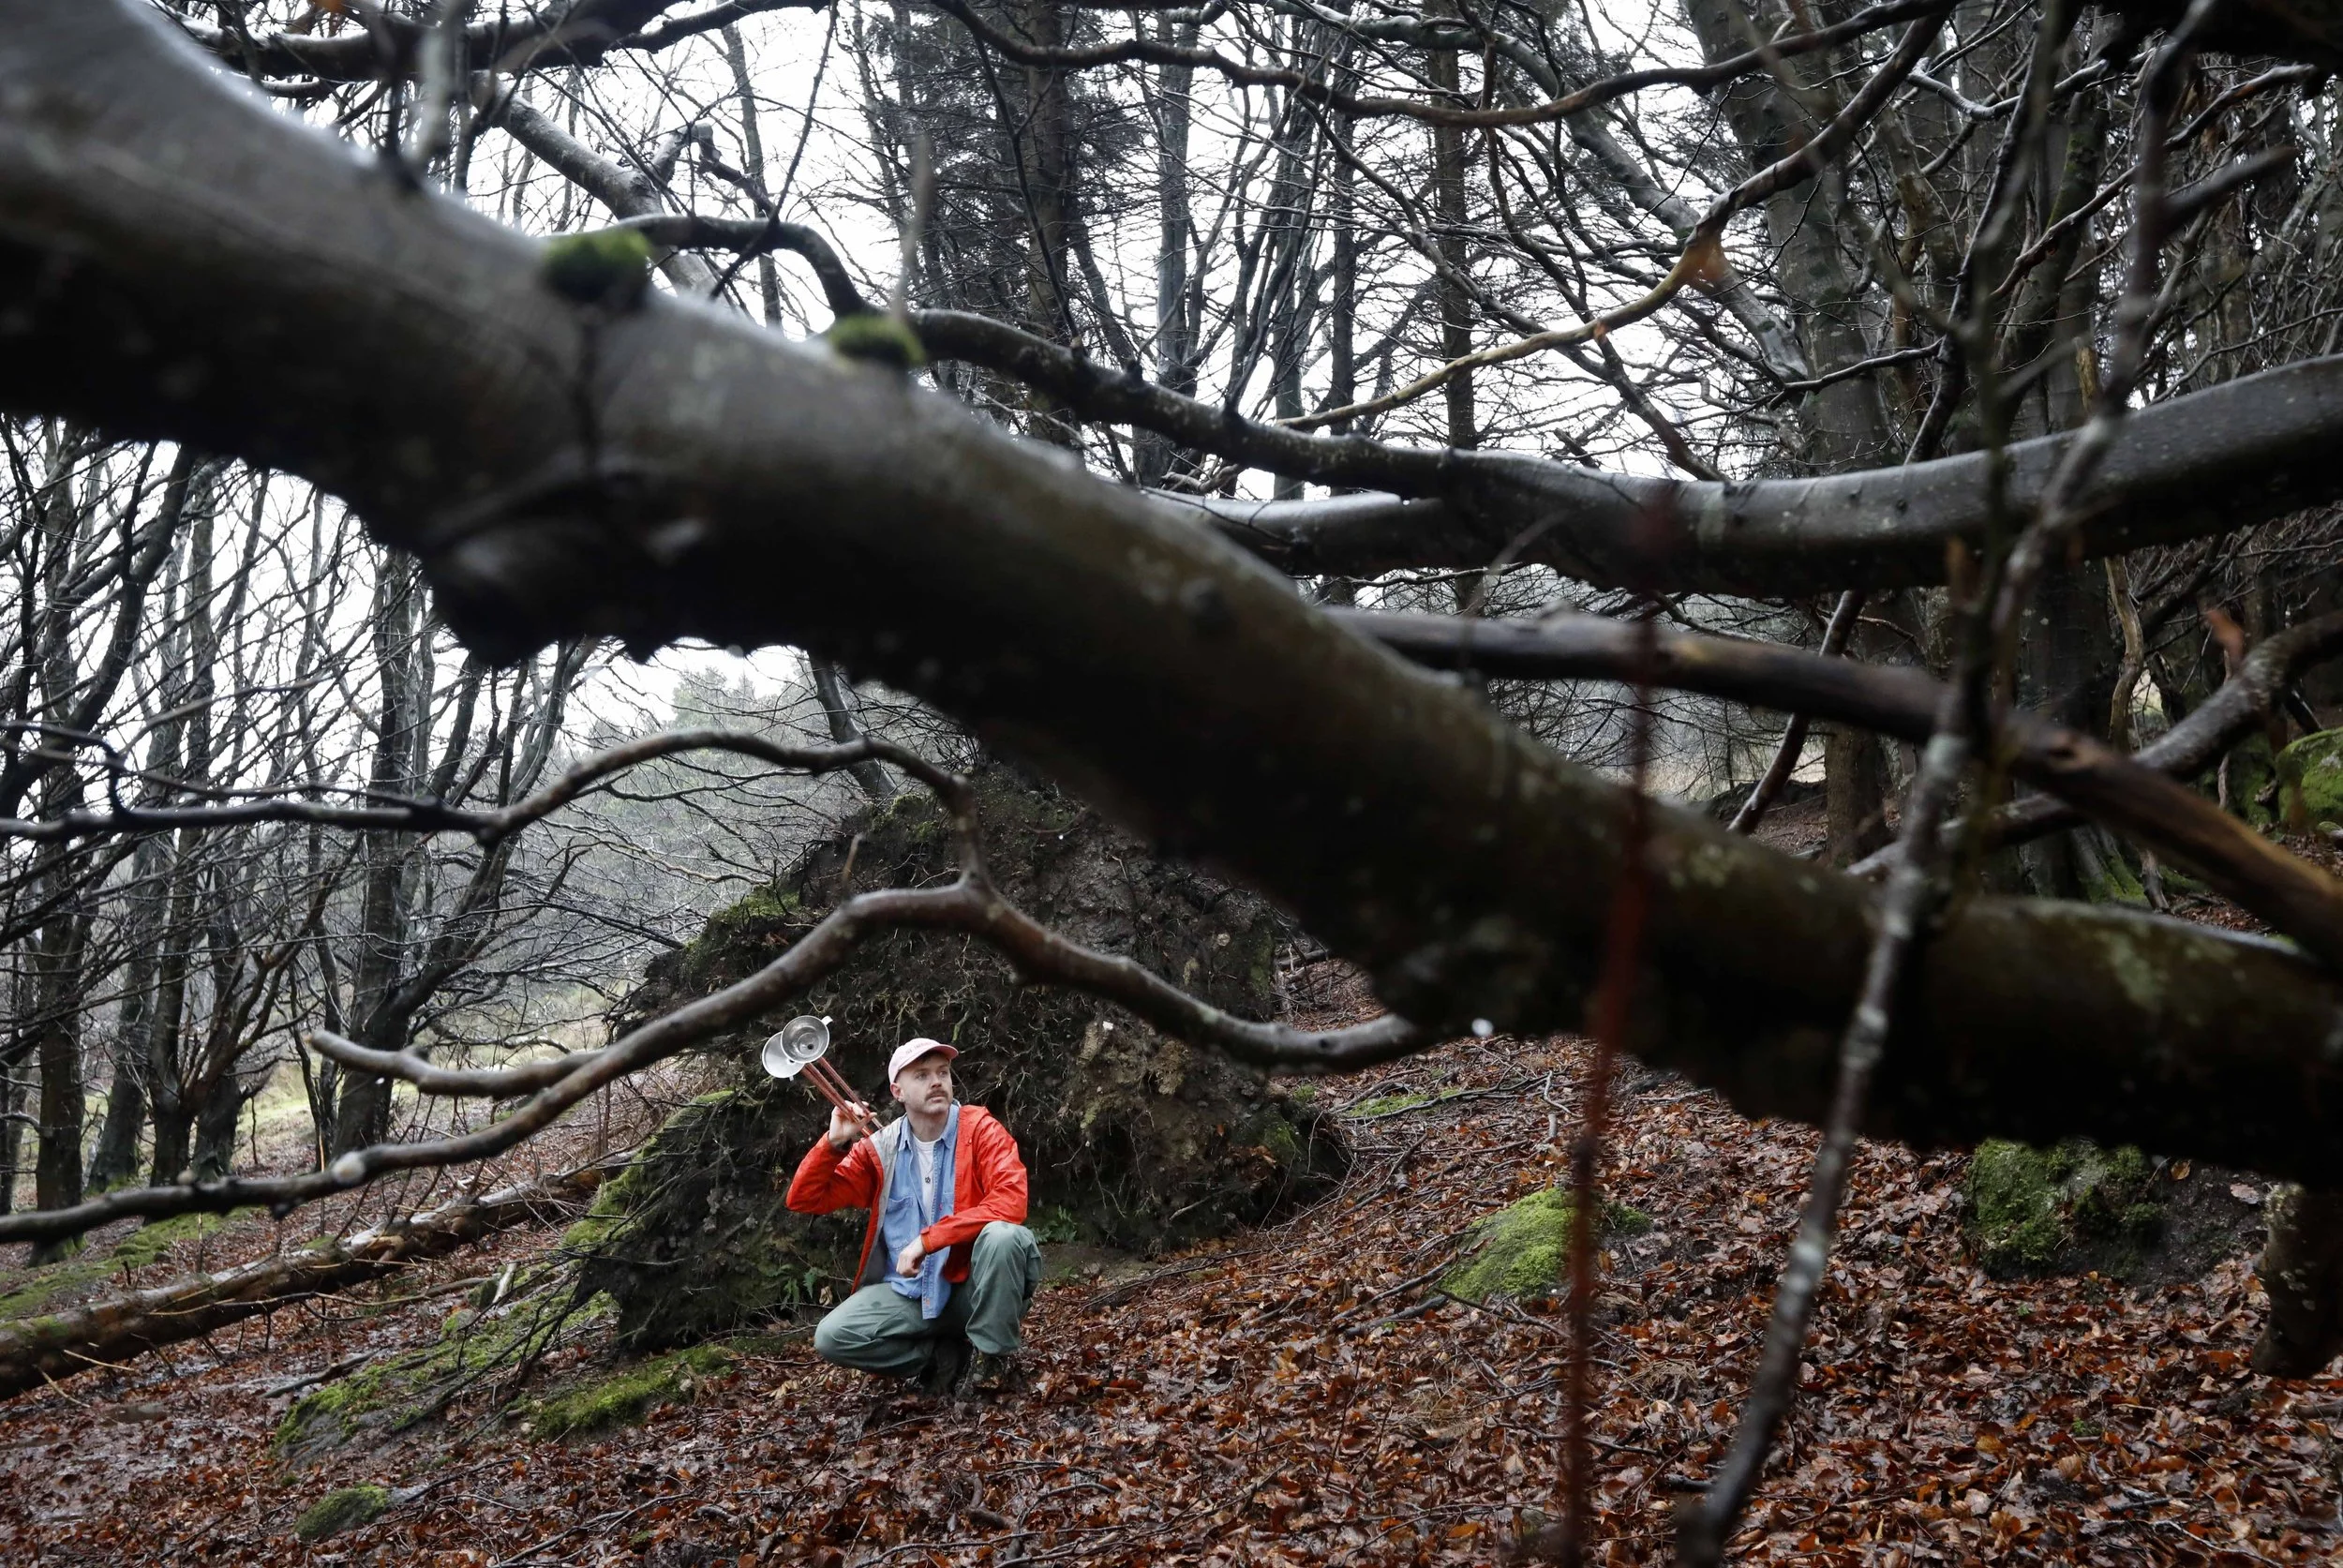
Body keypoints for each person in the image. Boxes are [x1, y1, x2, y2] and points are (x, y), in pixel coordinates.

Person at [785, 1037, 1042, 1395]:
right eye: (921, 1075)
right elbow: (805, 1199)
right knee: (832, 1337)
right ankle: (941, 1359)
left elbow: (1011, 1201)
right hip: (910, 1295)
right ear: (897, 1091)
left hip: (972, 1288)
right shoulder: (879, 1150)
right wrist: (832, 1143)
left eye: (943, 1072)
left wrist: (928, 1241)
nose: (936, 1081)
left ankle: (992, 1363)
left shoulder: (980, 1130)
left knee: (1005, 1237)